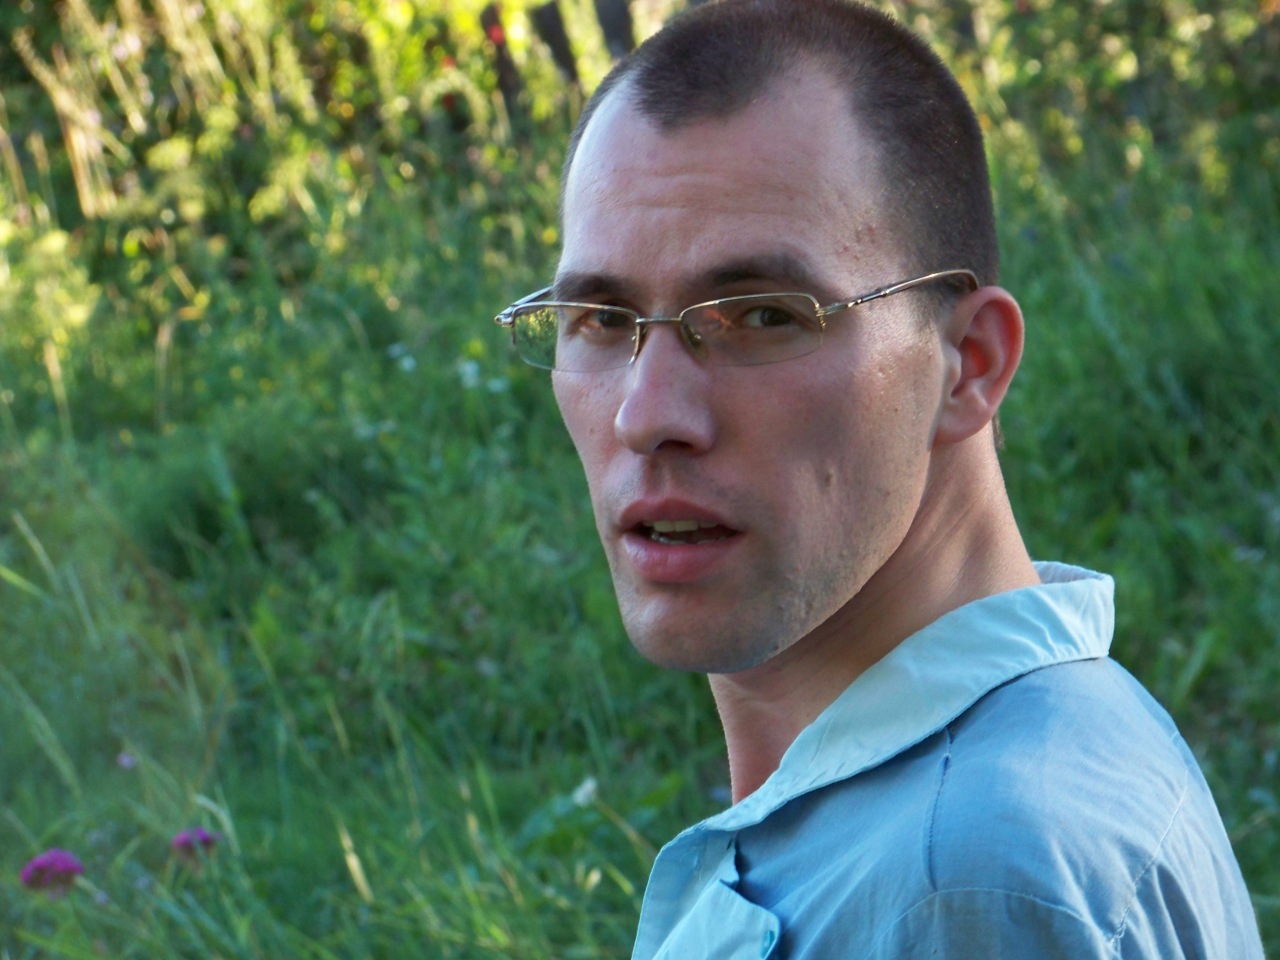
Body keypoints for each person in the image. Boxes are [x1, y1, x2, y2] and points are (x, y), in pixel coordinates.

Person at [494, 1, 1265, 956]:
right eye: (603, 321)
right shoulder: (1033, 749)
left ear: (968, 364)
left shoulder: (969, 883)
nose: (646, 415)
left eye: (762, 317)